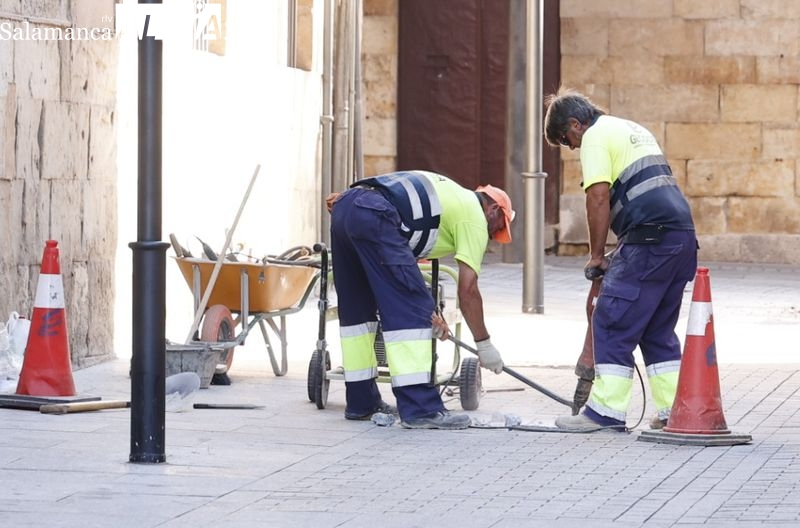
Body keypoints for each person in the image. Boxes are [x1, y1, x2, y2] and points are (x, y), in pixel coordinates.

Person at [543, 88, 698, 432]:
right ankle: (676, 410)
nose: (572, 148)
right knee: (657, 330)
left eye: (567, 140)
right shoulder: (630, 128)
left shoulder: (595, 137)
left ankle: (606, 413)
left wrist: (596, 256)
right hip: (680, 236)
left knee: (612, 317)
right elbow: (643, 191)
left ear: (575, 124)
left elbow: (598, 196)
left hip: (651, 240)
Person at [327, 170, 515, 429]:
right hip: (377, 214)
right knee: (411, 314)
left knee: (357, 314)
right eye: (498, 227)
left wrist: (432, 312)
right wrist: (484, 344)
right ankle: (421, 408)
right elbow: (468, 290)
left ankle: (361, 402)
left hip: (347, 205)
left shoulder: (450, 193)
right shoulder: (475, 218)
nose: (494, 236)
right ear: (493, 209)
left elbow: (401, 255)